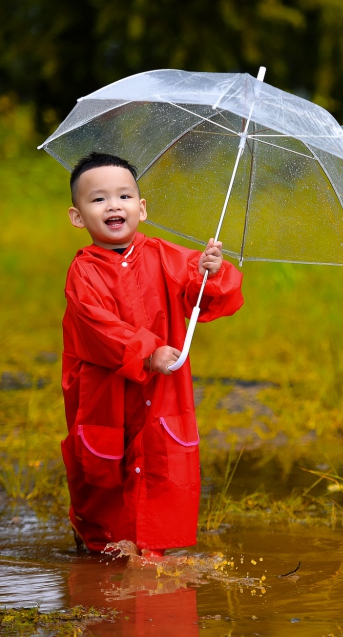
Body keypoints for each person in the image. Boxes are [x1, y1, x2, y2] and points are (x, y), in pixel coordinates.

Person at [60, 152, 243, 558]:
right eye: (98, 199)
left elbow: (206, 296)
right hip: (105, 395)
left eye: (124, 196)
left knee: (159, 466)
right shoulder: (84, 272)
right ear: (77, 217)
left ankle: (151, 556)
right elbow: (97, 327)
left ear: (141, 208)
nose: (113, 206)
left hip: (162, 395)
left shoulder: (164, 255)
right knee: (103, 473)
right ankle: (95, 541)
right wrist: (148, 352)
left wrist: (211, 272)